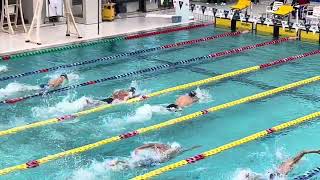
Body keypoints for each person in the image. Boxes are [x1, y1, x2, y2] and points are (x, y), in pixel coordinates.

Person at [107, 143, 200, 169]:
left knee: (134, 165)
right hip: (153, 159)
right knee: (134, 164)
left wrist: (193, 147)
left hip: (153, 160)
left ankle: (118, 163)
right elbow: (151, 144)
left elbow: (151, 145)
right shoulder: (167, 149)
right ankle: (118, 162)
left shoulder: (166, 148)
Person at [243, 150, 320, 179]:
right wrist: (316, 151)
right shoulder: (291, 163)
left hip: (273, 173)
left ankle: (250, 176)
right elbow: (303, 152)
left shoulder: (284, 162)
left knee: (262, 176)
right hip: (278, 176)